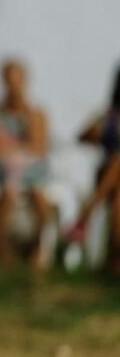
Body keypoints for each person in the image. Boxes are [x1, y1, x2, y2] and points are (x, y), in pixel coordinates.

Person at [0, 59, 51, 268]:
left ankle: (39, 249)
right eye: (10, 82)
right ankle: (3, 250)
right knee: (8, 194)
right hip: (3, 171)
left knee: (39, 197)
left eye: (18, 82)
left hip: (31, 172)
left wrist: (26, 120)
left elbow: (40, 145)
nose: (15, 88)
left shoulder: (36, 113)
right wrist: (22, 148)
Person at [68, 66, 120, 271]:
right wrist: (98, 135)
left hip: (110, 183)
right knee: (117, 162)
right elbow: (82, 136)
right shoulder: (109, 115)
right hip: (107, 175)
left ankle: (85, 215)